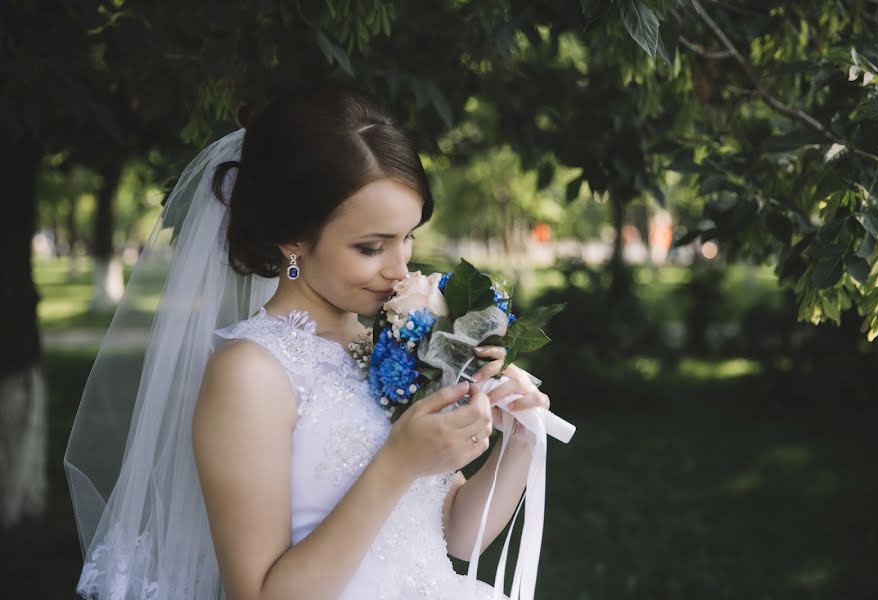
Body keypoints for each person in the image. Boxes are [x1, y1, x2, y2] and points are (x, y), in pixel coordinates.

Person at [65, 84, 551, 600]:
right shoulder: (251, 373)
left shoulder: (390, 347)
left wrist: (517, 439)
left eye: (408, 236)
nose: (400, 267)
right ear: (292, 237)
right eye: (371, 247)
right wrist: (398, 462)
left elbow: (454, 532)